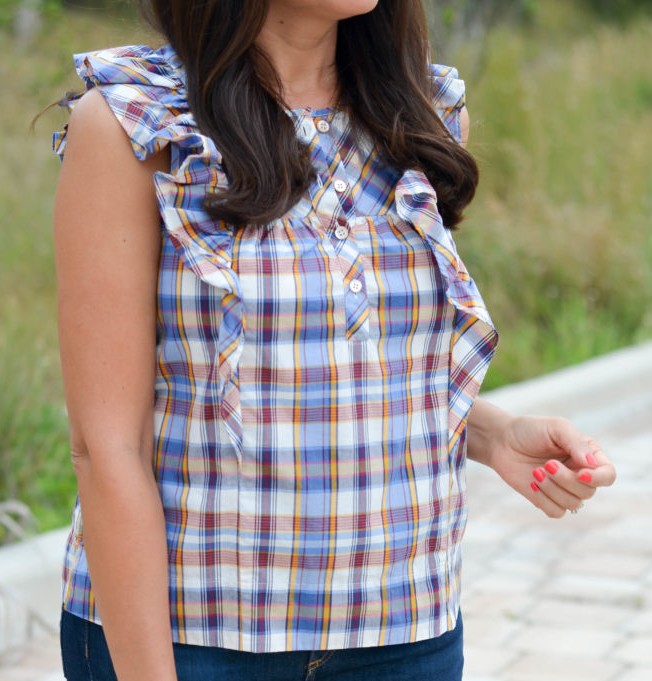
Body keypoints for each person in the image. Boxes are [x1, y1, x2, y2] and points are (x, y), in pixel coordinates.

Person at [50, 1, 616, 679]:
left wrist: (493, 434)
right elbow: (108, 444)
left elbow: (354, 360)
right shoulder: (136, 122)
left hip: (405, 631)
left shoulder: (422, 116)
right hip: (194, 637)